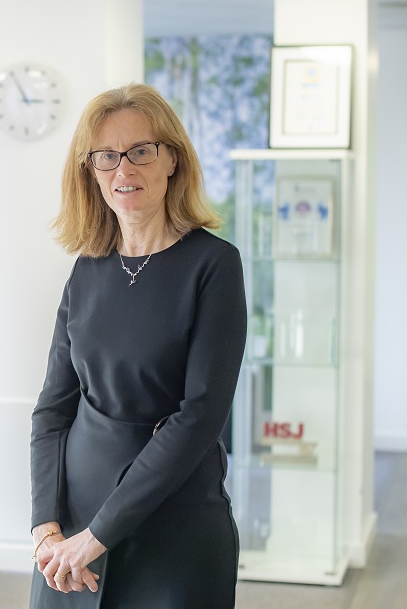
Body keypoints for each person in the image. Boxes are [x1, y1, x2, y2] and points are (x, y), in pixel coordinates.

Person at [28, 82, 247, 608]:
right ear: (91, 171)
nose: (123, 169)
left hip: (172, 520)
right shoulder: (87, 269)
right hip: (71, 534)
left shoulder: (213, 265)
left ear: (171, 159)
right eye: (106, 156)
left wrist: (99, 535)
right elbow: (52, 411)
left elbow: (199, 416)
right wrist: (45, 529)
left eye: (140, 151)